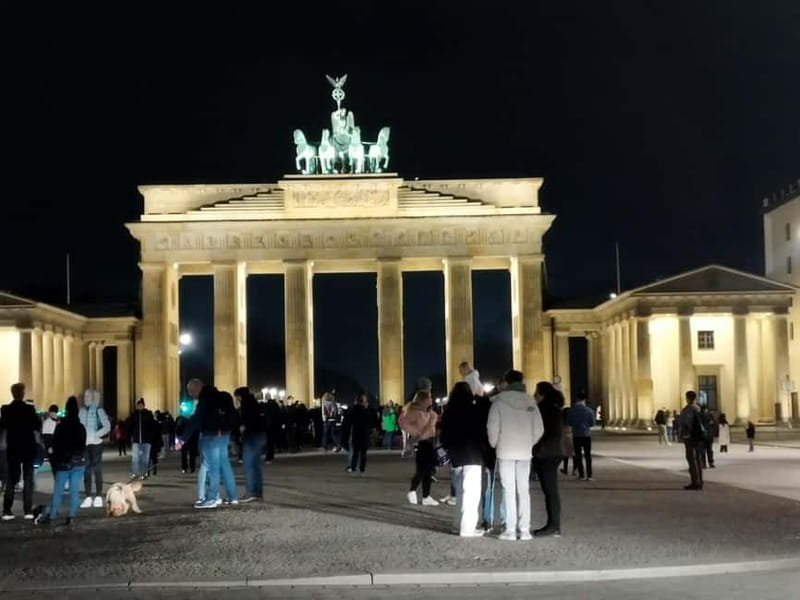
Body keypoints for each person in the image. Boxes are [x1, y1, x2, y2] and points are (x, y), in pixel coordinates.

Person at [487, 370, 544, 541]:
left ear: (506, 382)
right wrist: (529, 443)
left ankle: (510, 530)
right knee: (524, 490)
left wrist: (495, 443)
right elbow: (539, 429)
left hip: (505, 450)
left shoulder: (498, 402)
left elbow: (492, 427)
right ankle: (525, 529)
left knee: (508, 490)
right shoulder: (531, 402)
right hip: (525, 451)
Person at [440, 382, 485, 537]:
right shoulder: (474, 411)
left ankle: (457, 524)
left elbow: (444, 436)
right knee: (471, 495)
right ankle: (467, 528)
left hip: (456, 456)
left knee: (460, 493)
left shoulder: (448, 412)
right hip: (473, 456)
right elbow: (481, 434)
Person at [34, 396, 86, 526]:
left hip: (63, 463)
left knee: (58, 492)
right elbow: (82, 445)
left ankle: (52, 515)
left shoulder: (61, 426)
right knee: (75, 491)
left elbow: (56, 444)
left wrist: (57, 459)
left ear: (67, 410)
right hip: (78, 462)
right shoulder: (81, 427)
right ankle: (72, 516)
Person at [191, 387, 240, 509]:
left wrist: (183, 438)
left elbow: (196, 419)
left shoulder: (206, 401)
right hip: (225, 433)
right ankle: (233, 497)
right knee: (225, 465)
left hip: (211, 435)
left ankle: (212, 498)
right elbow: (233, 414)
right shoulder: (225, 397)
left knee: (213, 468)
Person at [1, 383, 41, 520]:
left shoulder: (6, 409)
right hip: (28, 447)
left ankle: (7, 510)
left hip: (13, 447)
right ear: (22, 393)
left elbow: (3, 428)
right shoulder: (29, 409)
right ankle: (28, 510)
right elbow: (37, 427)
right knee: (28, 479)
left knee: (11, 479)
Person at [533, 381, 565, 537]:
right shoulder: (555, 408)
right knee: (551, 491)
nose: (534, 395)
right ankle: (554, 525)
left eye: (536, 392)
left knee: (550, 491)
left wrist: (536, 450)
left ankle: (553, 526)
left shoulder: (543, 409)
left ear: (542, 394)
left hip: (547, 453)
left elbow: (539, 432)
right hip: (554, 451)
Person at [402, 390, 439, 505]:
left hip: (431, 441)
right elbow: (403, 423)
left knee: (428, 471)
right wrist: (416, 433)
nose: (431, 400)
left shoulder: (429, 411)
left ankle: (426, 496)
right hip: (423, 443)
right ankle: (412, 490)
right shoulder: (415, 412)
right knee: (422, 470)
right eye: (429, 398)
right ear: (423, 400)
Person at [78, 389, 110, 508]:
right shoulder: (81, 411)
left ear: (92, 398)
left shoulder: (98, 410)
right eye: (84, 396)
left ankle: (98, 496)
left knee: (97, 470)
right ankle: (87, 497)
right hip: (85, 444)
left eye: (87, 396)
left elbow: (107, 426)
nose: (85, 398)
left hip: (96, 444)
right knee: (86, 471)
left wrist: (96, 434)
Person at [236, 386, 266, 502]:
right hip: (259, 434)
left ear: (240, 396)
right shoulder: (254, 403)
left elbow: (246, 421)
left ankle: (251, 492)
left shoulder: (246, 405)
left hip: (251, 436)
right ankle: (258, 492)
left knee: (249, 465)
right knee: (256, 465)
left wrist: (242, 427)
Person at [341, 392, 374, 473]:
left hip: (355, 433)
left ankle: (352, 467)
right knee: (363, 453)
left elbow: (348, 422)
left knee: (355, 452)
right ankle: (362, 468)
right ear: (363, 401)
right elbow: (370, 422)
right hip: (364, 434)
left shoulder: (352, 410)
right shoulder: (366, 410)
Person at [678, 391, 705, 490]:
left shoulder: (689, 409)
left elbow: (687, 423)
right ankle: (700, 481)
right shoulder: (698, 408)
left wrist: (684, 434)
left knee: (691, 459)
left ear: (687, 398)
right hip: (699, 437)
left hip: (691, 437)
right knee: (698, 459)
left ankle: (695, 482)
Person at [567, 391, 595, 481]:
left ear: (576, 399)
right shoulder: (589, 410)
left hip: (576, 435)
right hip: (586, 435)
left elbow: (569, 422)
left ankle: (581, 474)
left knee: (578, 455)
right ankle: (589, 475)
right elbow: (592, 423)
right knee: (588, 455)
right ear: (584, 400)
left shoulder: (572, 410)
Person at [126, 398, 157, 479]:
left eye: (141, 405)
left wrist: (152, 437)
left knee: (145, 458)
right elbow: (128, 425)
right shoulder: (133, 415)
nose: (139, 407)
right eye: (138, 405)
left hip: (146, 440)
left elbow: (153, 426)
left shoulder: (148, 414)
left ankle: (144, 473)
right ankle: (135, 473)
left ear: (143, 406)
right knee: (135, 458)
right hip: (136, 440)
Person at [42, 404, 60, 478]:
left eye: (54, 412)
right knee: (54, 466)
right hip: (52, 447)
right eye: (51, 412)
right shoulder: (47, 423)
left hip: (59, 446)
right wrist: (49, 447)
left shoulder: (59, 422)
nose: (52, 414)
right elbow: (46, 437)